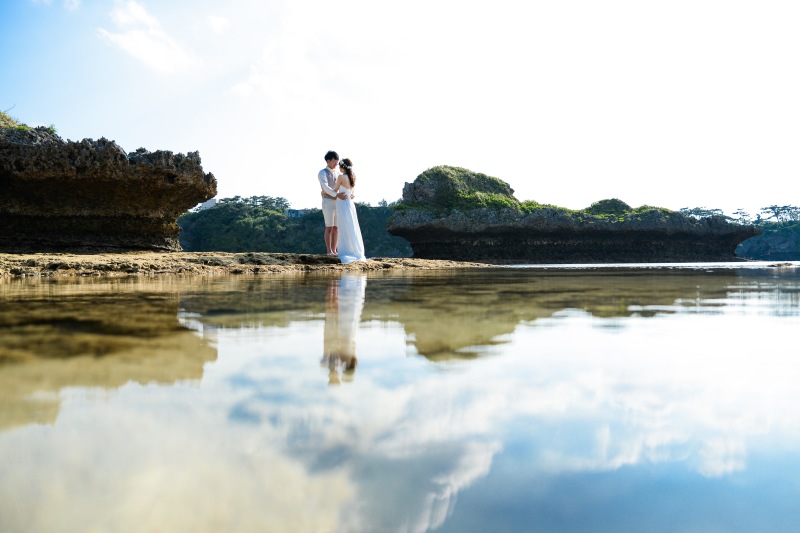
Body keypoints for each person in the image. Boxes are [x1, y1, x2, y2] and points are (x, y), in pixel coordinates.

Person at [333, 158, 366, 264]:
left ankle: (345, 250)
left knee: (343, 226)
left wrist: (324, 191)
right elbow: (352, 193)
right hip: (350, 203)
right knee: (351, 226)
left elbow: (335, 189)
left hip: (342, 203)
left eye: (339, 166)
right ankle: (353, 250)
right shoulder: (353, 177)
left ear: (342, 167)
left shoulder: (341, 177)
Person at [317, 150, 345, 255]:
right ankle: (329, 251)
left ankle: (334, 250)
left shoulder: (338, 173)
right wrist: (336, 194)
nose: (336, 163)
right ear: (328, 161)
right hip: (327, 201)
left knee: (336, 228)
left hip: (337, 202)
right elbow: (325, 187)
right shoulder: (322, 172)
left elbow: (341, 186)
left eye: (337, 161)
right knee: (329, 227)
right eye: (334, 161)